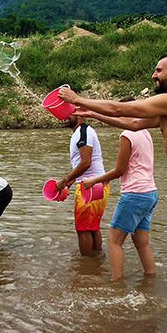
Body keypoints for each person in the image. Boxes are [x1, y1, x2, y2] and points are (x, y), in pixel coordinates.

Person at [58, 52, 167, 333]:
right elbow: (134, 123)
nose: (153, 75)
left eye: (159, 70)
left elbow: (119, 108)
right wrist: (94, 115)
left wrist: (77, 99)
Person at [80, 97, 158, 282]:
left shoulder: (127, 134)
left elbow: (119, 170)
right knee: (141, 242)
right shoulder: (145, 132)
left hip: (135, 194)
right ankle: (150, 281)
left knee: (114, 240)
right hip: (150, 193)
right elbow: (135, 165)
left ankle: (117, 285)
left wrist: (94, 181)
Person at [52, 110, 108, 256]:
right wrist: (68, 184)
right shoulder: (78, 133)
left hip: (89, 185)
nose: (65, 117)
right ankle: (96, 260)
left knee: (83, 229)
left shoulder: (84, 132)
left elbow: (85, 163)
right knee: (93, 227)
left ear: (79, 115)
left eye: (70, 113)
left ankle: (85, 265)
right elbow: (80, 165)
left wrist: (65, 180)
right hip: (96, 184)